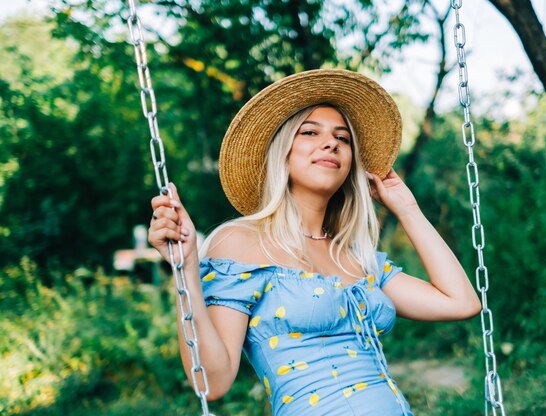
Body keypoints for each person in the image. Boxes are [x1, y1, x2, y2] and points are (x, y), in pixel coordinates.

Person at [148, 69, 481, 416]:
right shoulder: (241, 245)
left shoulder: (359, 258)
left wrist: (407, 209)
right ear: (283, 154)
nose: (331, 143)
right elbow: (211, 383)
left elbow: (461, 303)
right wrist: (185, 269)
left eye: (343, 138)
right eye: (310, 132)